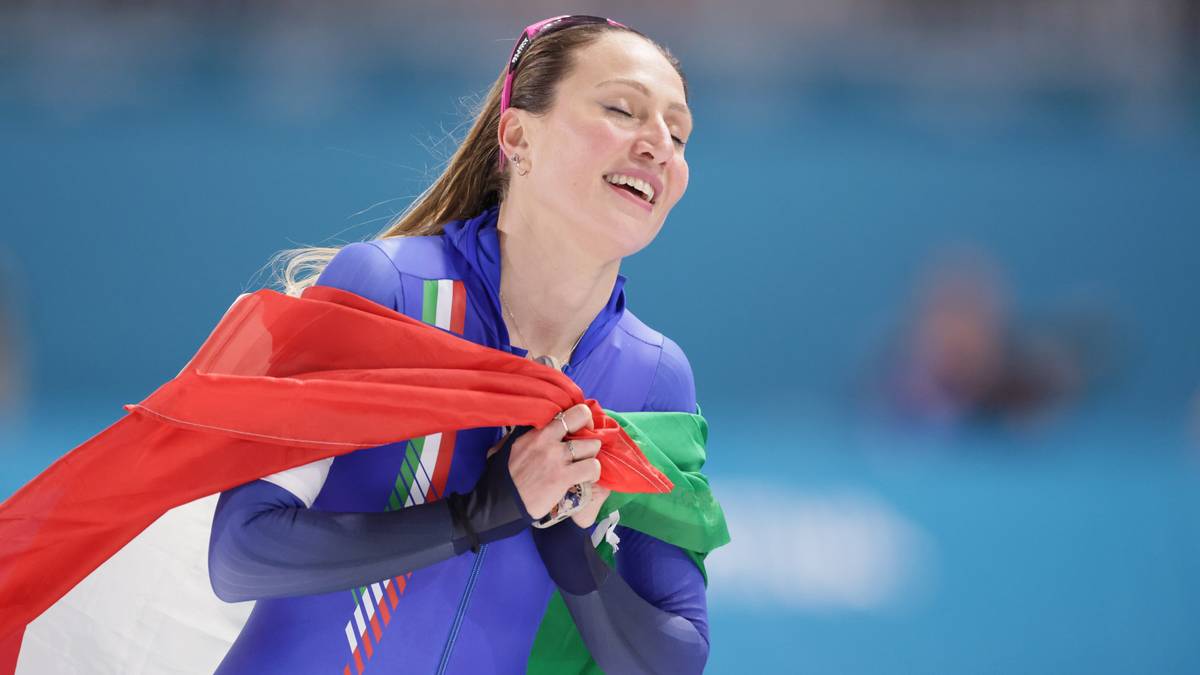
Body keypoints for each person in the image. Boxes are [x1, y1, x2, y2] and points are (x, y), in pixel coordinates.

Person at [207, 15, 709, 675]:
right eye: (623, 109)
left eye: (677, 132)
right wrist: (478, 514)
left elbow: (672, 661)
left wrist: (566, 539)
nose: (659, 145)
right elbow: (241, 552)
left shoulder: (652, 379)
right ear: (518, 137)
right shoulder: (390, 289)